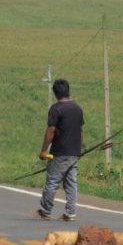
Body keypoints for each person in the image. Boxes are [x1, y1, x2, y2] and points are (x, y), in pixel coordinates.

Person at [34, 79, 84, 221]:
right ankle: (70, 213)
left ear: (55, 93)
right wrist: (79, 148)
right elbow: (81, 130)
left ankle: (45, 211)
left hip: (60, 152)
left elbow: (51, 130)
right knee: (71, 183)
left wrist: (44, 150)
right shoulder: (77, 108)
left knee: (52, 181)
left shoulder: (56, 109)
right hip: (74, 152)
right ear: (68, 90)